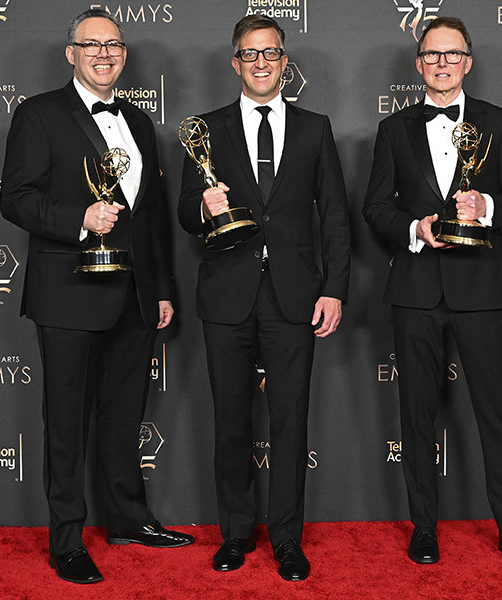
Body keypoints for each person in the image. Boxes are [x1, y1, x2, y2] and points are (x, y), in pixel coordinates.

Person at [0, 8, 193, 585]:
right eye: (91, 44)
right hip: (67, 294)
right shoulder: (37, 114)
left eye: (113, 44)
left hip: (133, 295)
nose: (103, 53)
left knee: (125, 415)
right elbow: (16, 198)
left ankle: (128, 519)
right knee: (66, 422)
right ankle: (66, 540)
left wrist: (159, 289)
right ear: (71, 53)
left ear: (124, 54)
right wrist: (79, 218)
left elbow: (151, 217)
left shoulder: (139, 122)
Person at [362, 16, 502, 570]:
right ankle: (424, 529)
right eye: (432, 56)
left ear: (468, 62)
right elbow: (376, 207)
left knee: (497, 413)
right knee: (416, 415)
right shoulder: (393, 129)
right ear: (419, 65)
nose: (442, 64)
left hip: (480, 290)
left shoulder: (500, 122)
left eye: (452, 55)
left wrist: (485, 209)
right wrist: (416, 228)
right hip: (415, 291)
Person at [177, 15, 351, 582]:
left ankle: (287, 540)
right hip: (227, 295)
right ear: (235, 62)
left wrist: (333, 289)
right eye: (249, 55)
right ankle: (234, 533)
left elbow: (335, 219)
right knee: (230, 419)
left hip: (294, 298)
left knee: (290, 421)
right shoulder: (203, 130)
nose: (260, 63)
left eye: (270, 54)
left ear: (284, 62)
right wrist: (203, 207)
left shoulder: (314, 128)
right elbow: (183, 213)